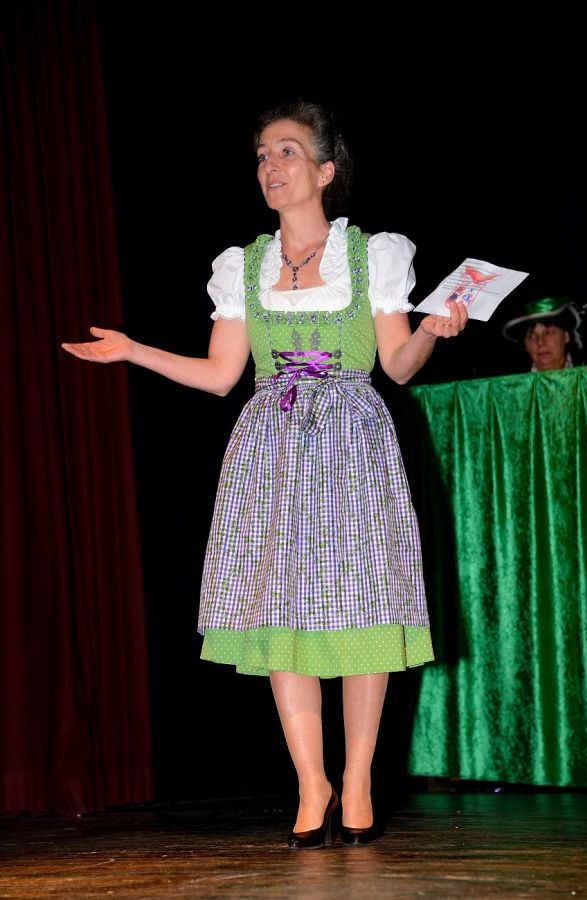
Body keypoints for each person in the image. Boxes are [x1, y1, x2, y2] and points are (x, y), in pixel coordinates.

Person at [62, 100, 468, 849]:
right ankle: (312, 782)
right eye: (260, 156)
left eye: (286, 152)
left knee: (362, 605)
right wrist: (133, 351)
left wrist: (432, 333)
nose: (269, 167)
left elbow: (398, 365)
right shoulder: (243, 266)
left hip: (351, 438)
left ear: (325, 170)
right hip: (270, 445)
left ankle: (356, 780)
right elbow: (222, 374)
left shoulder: (371, 255)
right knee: (279, 606)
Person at [501, 296, 584, 371]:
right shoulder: (512, 383)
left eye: (548, 332)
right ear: (525, 345)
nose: (540, 342)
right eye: (531, 336)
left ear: (566, 336)